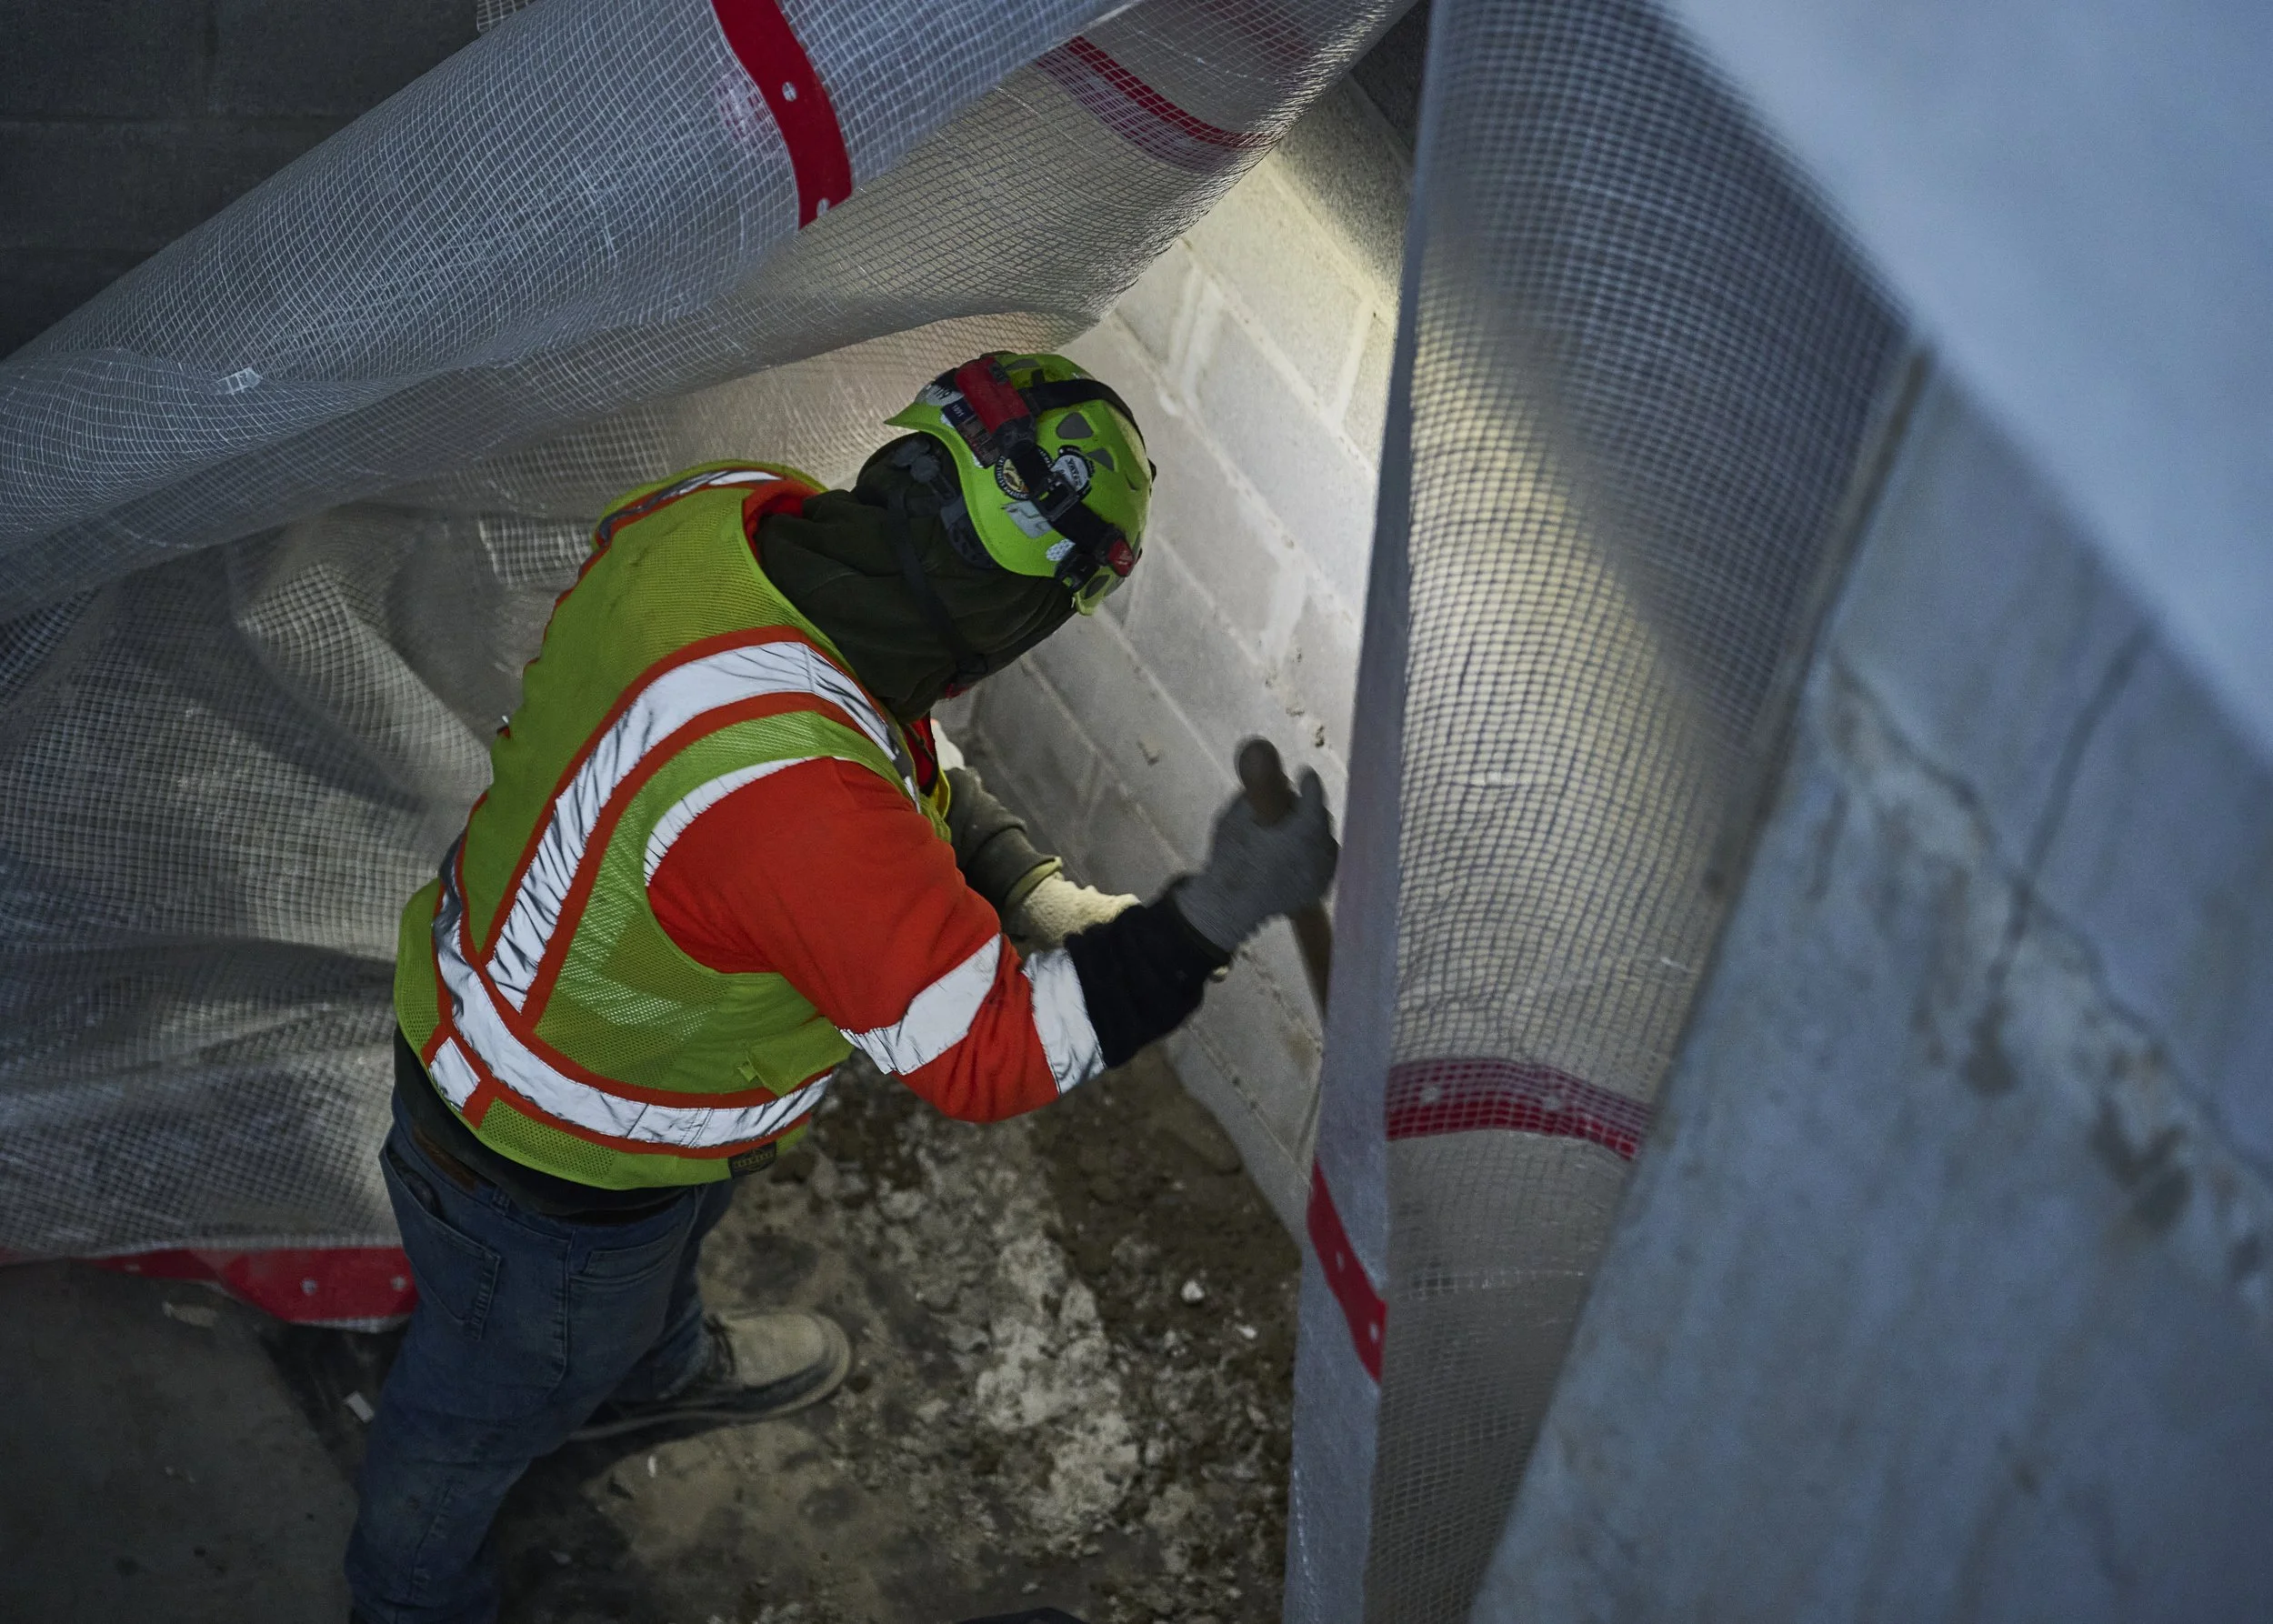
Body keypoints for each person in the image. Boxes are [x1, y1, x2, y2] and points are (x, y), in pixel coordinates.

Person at [345, 352, 1338, 1623]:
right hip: (546, 1165)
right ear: (1021, 613)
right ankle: (406, 1590)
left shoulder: (734, 516)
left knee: (648, 1271)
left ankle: (657, 1368)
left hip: (573, 1077)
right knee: (486, 1405)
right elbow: (989, 1056)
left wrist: (1024, 885)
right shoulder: (799, 803)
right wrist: (1207, 918)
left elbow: (889, 743)